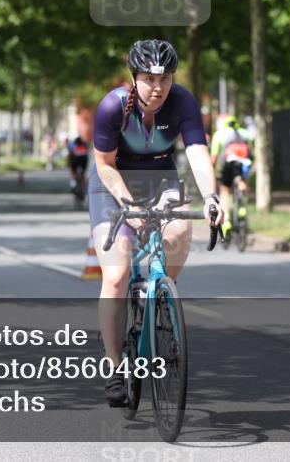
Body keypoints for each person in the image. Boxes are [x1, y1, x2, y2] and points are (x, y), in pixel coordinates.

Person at [88, 39, 225, 407]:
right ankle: (115, 365)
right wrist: (129, 206)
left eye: (165, 78)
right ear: (134, 78)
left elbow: (196, 150)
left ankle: (160, 296)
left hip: (160, 181)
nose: (158, 87)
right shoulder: (112, 107)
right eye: (149, 78)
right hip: (112, 184)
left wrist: (212, 197)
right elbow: (104, 165)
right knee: (116, 274)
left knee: (181, 228)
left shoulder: (182, 102)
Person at [209, 115, 254, 238]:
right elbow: (250, 151)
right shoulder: (244, 133)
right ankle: (242, 208)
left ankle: (227, 220)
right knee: (242, 182)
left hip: (228, 163)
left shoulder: (219, 134)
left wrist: (213, 172)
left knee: (224, 190)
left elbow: (214, 157)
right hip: (243, 162)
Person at [67, 134, 90, 202]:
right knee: (83, 175)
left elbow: (70, 157)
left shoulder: (74, 146)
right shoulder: (84, 147)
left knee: (73, 173)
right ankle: (83, 188)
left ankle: (73, 184)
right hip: (83, 161)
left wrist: (69, 164)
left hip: (75, 161)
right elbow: (86, 157)